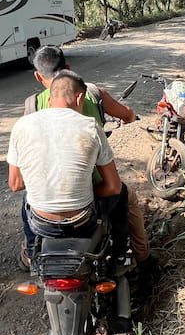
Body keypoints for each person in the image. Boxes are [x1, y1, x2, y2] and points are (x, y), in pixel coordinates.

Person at [21, 45, 154, 275]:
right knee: (126, 198)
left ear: (38, 76)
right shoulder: (92, 93)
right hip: (94, 189)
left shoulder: (32, 106)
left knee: (28, 204)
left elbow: (21, 170)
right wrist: (133, 118)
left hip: (49, 192)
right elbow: (127, 115)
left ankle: (31, 251)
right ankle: (141, 258)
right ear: (69, 68)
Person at [7, 71, 129, 272]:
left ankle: (31, 253)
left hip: (41, 223)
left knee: (27, 199)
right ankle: (119, 257)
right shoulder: (90, 126)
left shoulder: (22, 125)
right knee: (122, 192)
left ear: (49, 95)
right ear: (79, 97)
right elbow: (113, 186)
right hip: (82, 221)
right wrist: (86, 191)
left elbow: (15, 184)